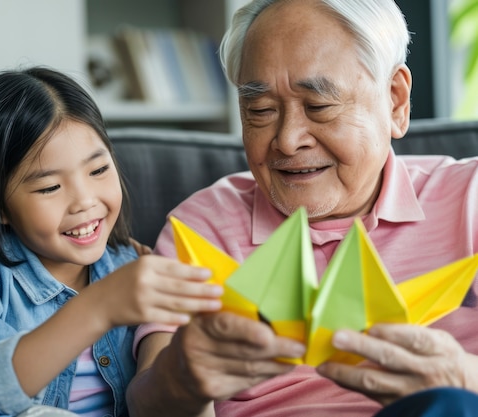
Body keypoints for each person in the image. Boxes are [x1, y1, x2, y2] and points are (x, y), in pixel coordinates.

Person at [125, 0, 478, 416]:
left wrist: (464, 377)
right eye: (260, 111)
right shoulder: (203, 226)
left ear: (396, 101)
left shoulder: (468, 196)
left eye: (319, 106)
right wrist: (180, 377)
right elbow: (145, 403)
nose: (288, 140)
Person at [0, 67, 224, 417]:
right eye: (50, 187)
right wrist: (98, 307)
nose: (84, 201)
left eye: (98, 170)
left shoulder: (129, 266)